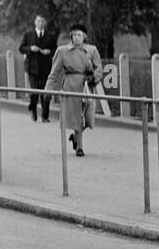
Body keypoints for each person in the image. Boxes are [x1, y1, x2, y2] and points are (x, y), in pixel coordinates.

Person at [45, 22, 102, 156]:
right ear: (71, 36)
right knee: (77, 116)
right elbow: (54, 72)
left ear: (84, 37)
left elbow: (99, 68)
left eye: (79, 35)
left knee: (88, 119)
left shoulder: (92, 50)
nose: (77, 38)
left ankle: (76, 138)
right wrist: (47, 91)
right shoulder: (63, 51)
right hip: (70, 86)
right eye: (74, 35)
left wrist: (94, 77)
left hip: (87, 86)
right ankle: (80, 147)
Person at [19, 14, 57, 121]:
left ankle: (45, 116)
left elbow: (56, 50)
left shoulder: (50, 36)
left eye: (42, 21)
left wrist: (49, 52)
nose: (40, 23)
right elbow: (21, 48)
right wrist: (30, 48)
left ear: (45, 23)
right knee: (34, 91)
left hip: (45, 68)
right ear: (35, 22)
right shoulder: (28, 34)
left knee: (45, 91)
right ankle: (33, 113)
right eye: (39, 21)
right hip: (32, 68)